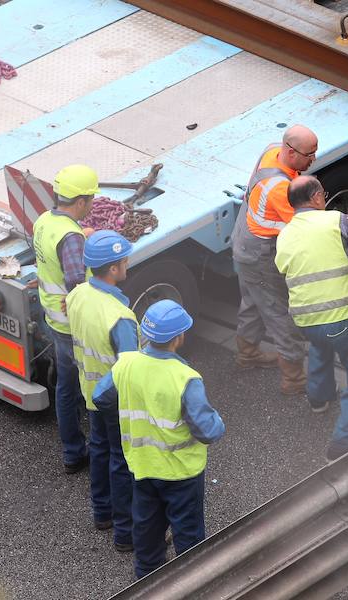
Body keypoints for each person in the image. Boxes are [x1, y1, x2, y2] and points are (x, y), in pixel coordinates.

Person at [93, 300, 225, 580]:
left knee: (147, 529)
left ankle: (147, 580)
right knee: (188, 535)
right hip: (181, 473)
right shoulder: (185, 378)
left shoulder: (126, 365)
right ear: (178, 338)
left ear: (146, 334)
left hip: (142, 466)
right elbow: (207, 430)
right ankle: (192, 583)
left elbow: (100, 397)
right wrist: (218, 422)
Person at [274, 176, 348, 460]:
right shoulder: (335, 219)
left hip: (305, 320)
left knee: (321, 346)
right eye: (323, 193)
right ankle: (344, 446)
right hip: (342, 317)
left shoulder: (284, 234)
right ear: (316, 198)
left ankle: (319, 398)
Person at [231, 125, 318, 395]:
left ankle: (247, 354)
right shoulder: (280, 188)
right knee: (278, 312)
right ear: (291, 152)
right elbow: (305, 223)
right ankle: (294, 381)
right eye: (309, 154)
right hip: (259, 253)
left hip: (243, 241)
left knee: (254, 299)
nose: (313, 160)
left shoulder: (271, 150)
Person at [66, 231, 139, 552]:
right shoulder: (120, 317)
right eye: (124, 260)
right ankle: (126, 532)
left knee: (98, 449)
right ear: (113, 269)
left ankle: (103, 513)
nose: (127, 265)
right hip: (115, 399)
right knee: (122, 461)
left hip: (90, 388)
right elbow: (129, 368)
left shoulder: (78, 294)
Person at [33, 164, 98, 473]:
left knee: (65, 385)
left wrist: (80, 237)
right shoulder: (71, 237)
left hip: (54, 317)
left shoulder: (45, 221)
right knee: (88, 385)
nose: (92, 205)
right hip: (72, 323)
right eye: (91, 199)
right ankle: (80, 451)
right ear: (81, 201)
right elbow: (76, 280)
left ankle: (72, 449)